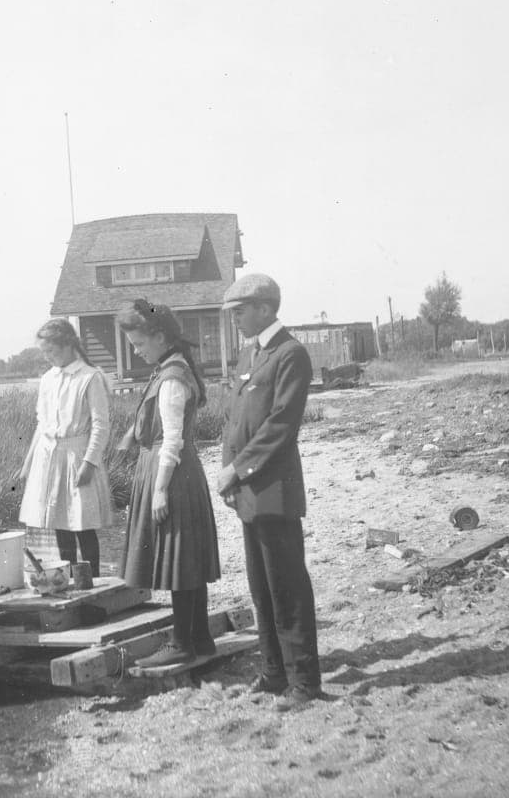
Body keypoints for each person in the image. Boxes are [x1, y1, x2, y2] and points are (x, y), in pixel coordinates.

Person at [215, 273, 322, 711]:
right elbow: (237, 420)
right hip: (248, 491)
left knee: (287, 587)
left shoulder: (290, 355)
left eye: (239, 311)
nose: (235, 319)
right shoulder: (253, 355)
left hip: (273, 488)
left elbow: (280, 425)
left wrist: (237, 470)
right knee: (261, 587)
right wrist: (229, 473)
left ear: (264, 308)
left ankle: (305, 682)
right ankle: (274, 672)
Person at [116, 299, 221, 667]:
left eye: (140, 343)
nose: (136, 350)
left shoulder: (172, 378)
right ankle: (201, 638)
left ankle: (180, 642)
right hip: (177, 471)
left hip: (172, 474)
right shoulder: (169, 368)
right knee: (186, 556)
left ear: (159, 336)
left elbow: (173, 438)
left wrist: (160, 488)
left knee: (178, 558)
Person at [15, 318, 114, 578]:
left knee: (82, 522)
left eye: (52, 351)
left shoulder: (89, 377)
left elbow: (101, 426)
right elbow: (41, 424)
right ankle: (68, 579)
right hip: (49, 458)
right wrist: (27, 464)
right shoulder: (48, 379)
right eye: (44, 352)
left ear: (68, 344)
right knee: (59, 522)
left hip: (78, 456)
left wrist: (89, 463)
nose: (48, 357)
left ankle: (93, 580)